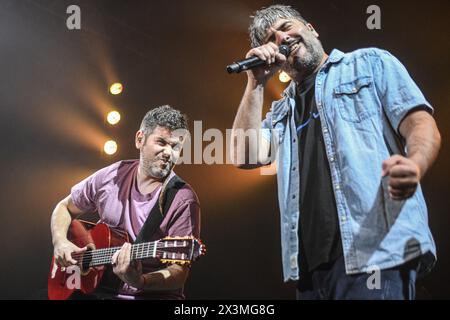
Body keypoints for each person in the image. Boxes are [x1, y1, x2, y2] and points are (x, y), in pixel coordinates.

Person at [231, 5, 441, 300]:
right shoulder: (281, 111)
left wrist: (415, 164)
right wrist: (255, 83)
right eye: (271, 38)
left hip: (376, 254)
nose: (281, 37)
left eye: (286, 27)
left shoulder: (369, 63)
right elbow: (244, 155)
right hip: (309, 272)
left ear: (311, 29)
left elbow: (420, 123)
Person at [50, 105, 200, 300]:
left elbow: (179, 273)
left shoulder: (182, 199)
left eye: (175, 147)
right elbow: (64, 207)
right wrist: (60, 241)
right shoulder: (113, 175)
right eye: (161, 142)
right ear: (140, 139)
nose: (168, 153)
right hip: (100, 291)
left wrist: (141, 281)